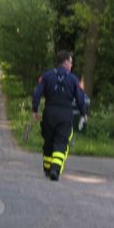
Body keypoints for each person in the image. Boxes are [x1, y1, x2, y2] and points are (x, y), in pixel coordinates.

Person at [31, 51, 88, 181]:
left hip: (49, 113)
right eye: (71, 62)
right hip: (65, 114)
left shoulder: (46, 76)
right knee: (61, 142)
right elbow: (80, 98)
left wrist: (35, 110)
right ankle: (55, 169)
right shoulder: (73, 79)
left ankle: (47, 168)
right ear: (65, 62)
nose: (72, 65)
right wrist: (83, 113)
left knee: (48, 141)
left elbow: (37, 93)